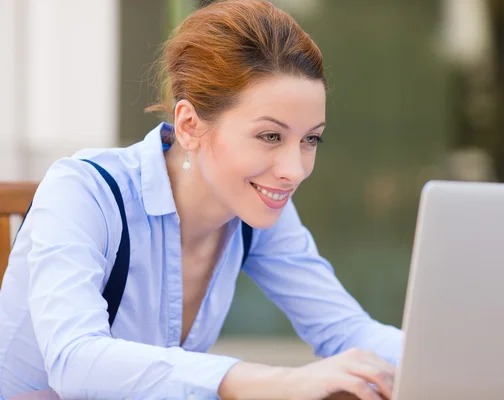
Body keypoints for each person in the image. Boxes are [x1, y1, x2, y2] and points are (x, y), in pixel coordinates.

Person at [0, 1, 404, 399]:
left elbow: (345, 329)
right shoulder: (84, 191)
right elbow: (75, 361)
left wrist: (448, 358)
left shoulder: (254, 208)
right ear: (189, 125)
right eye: (270, 136)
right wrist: (275, 381)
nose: (294, 170)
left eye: (310, 139)